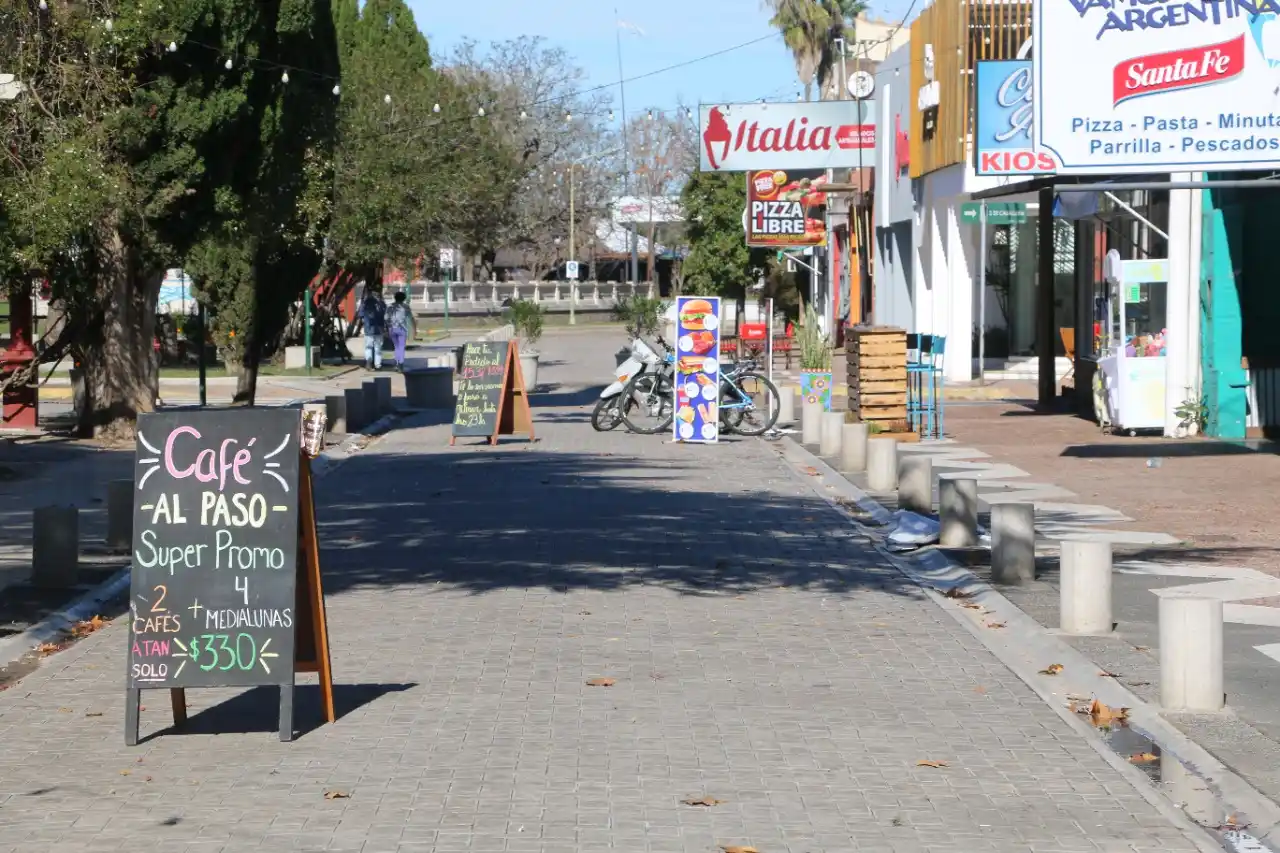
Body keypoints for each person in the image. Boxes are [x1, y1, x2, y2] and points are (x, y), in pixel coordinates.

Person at [386, 290, 417, 371]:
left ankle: (397, 362)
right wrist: (414, 329)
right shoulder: (405, 307)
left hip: (392, 329)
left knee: (396, 346)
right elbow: (411, 318)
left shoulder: (389, 306)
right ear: (403, 298)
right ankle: (401, 363)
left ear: (395, 298)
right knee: (401, 346)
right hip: (402, 329)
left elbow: (385, 318)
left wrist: (388, 326)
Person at [359, 290, 387, 370]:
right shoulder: (381, 304)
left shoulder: (365, 303)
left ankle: (368, 362)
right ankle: (378, 365)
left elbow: (361, 316)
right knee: (378, 348)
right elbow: (386, 316)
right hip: (379, 329)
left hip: (368, 329)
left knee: (368, 347)